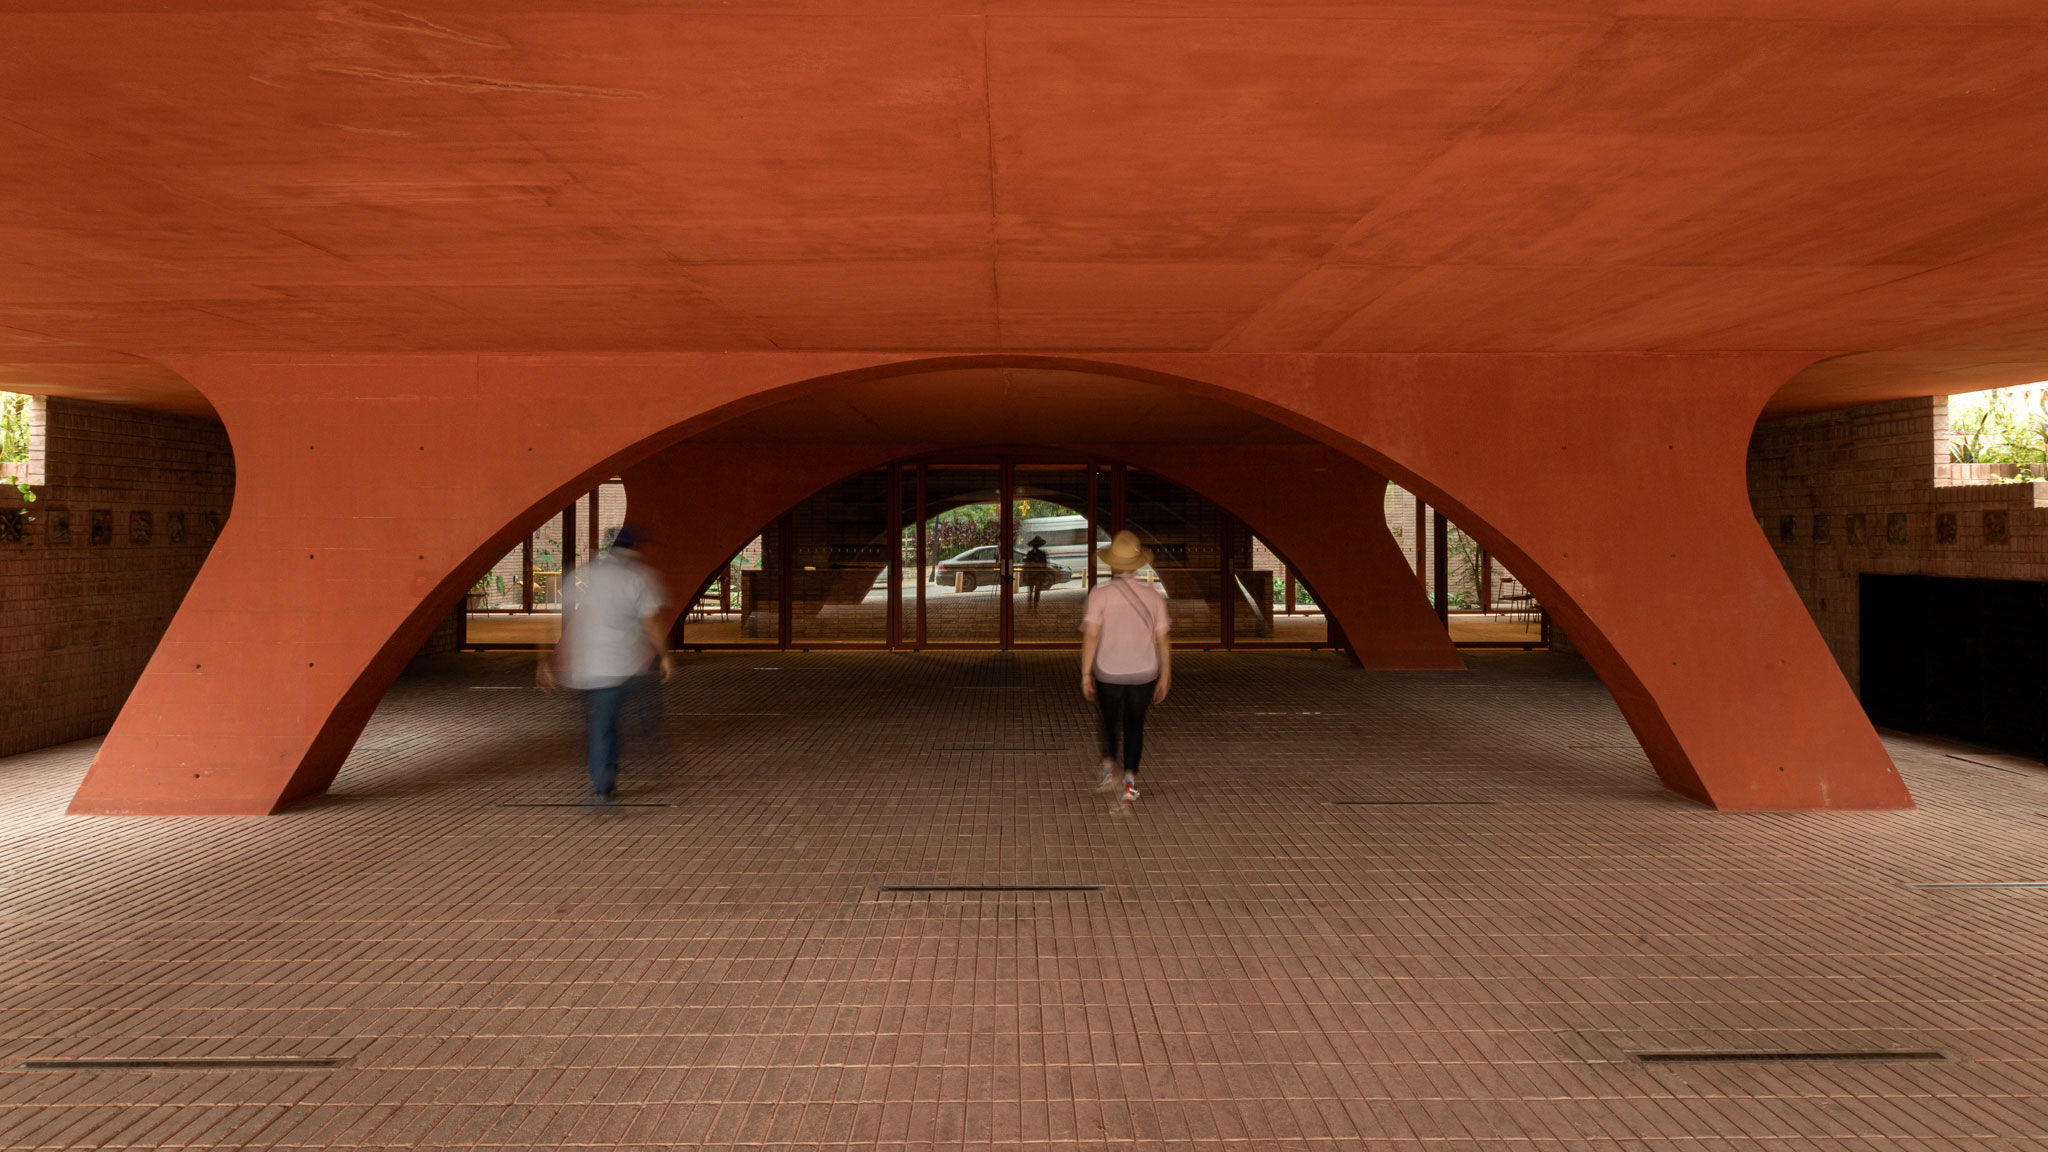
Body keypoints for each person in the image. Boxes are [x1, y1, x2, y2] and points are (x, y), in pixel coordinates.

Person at [537, 524, 673, 803]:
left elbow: (553, 618)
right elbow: (650, 622)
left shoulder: (584, 574)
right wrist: (665, 656)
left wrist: (544, 661)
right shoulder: (638, 577)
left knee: (600, 724)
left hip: (585, 667)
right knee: (618, 720)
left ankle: (603, 778)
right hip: (623, 665)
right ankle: (610, 776)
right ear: (633, 549)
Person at [1079, 530, 1171, 805]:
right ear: (1137, 564)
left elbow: (1091, 636)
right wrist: (1166, 674)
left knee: (1109, 722)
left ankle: (1109, 768)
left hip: (1109, 671)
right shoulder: (1153, 597)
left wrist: (1086, 673)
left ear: (1113, 564)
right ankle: (1129, 782)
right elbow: (1163, 639)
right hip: (1144, 673)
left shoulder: (1100, 595)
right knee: (1134, 725)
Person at [1022, 535, 1051, 607]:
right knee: (1036, 591)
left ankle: (1032, 606)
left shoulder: (1031, 553)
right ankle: (1034, 606)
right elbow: (1044, 565)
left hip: (1035, 575)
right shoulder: (1041, 553)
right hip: (1037, 574)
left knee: (1032, 591)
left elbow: (1027, 564)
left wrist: (1025, 573)